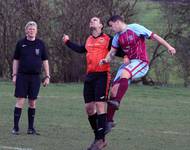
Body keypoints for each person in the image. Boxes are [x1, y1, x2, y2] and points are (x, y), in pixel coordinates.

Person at [100, 15, 176, 133]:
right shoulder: (116, 37)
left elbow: (154, 36)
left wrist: (169, 46)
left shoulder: (135, 27)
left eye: (111, 26)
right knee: (114, 90)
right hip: (128, 64)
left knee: (125, 74)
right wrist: (105, 59)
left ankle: (117, 102)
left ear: (117, 22)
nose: (111, 29)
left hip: (141, 62)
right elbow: (112, 53)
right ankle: (109, 122)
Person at [62, 17, 121, 150]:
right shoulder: (89, 39)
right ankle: (98, 137)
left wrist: (129, 56)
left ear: (101, 25)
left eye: (95, 20)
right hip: (90, 77)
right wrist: (67, 42)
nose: (92, 21)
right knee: (89, 108)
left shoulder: (109, 38)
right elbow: (80, 49)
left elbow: (120, 50)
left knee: (100, 106)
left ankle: (101, 140)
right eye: (91, 20)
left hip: (103, 76)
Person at [12, 21, 50, 135]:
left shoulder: (40, 44)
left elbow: (45, 60)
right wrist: (14, 75)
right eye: (29, 29)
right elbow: (15, 60)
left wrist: (47, 76)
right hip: (22, 76)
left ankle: (30, 128)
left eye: (33, 29)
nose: (31, 31)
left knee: (32, 102)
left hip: (35, 77)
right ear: (26, 31)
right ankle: (15, 128)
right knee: (20, 101)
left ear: (36, 31)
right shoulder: (20, 43)